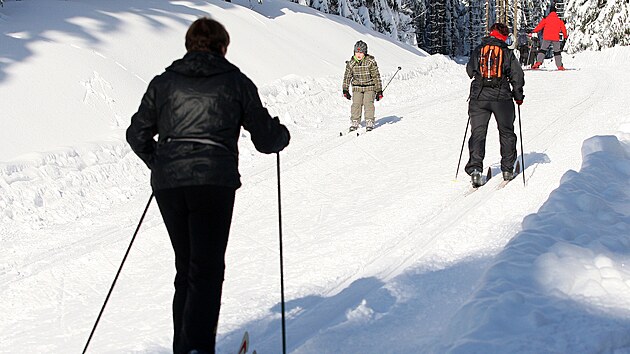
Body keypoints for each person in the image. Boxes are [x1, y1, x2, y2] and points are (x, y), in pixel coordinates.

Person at [126, 18, 290, 354]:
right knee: (206, 269)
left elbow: (136, 134)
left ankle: (184, 348)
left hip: (170, 184)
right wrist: (281, 135)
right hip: (213, 181)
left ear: (188, 46)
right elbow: (265, 138)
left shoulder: (164, 83)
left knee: (185, 268)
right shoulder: (236, 82)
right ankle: (197, 349)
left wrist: (161, 162)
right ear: (223, 47)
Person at [465, 22, 525, 187]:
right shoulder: (507, 52)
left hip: (478, 99)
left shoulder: (479, 50)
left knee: (478, 134)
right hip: (502, 98)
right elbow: (517, 75)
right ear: (504, 37)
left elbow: (470, 71)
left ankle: (476, 171)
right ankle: (507, 169)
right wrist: (518, 96)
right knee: (506, 132)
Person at [342, 40, 383, 132]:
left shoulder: (370, 62)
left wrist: (379, 90)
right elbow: (347, 76)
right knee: (356, 104)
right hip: (357, 87)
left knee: (368, 103)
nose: (359, 54)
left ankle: (369, 120)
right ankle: (355, 121)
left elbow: (376, 76)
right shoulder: (351, 63)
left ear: (365, 53)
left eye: (361, 52)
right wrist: (345, 90)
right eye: (357, 52)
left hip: (370, 86)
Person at [530, 5, 568, 70]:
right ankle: (559, 66)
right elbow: (564, 29)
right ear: (556, 12)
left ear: (549, 12)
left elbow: (540, 26)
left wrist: (534, 31)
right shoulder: (559, 20)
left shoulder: (546, 19)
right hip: (555, 38)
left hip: (547, 37)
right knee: (557, 52)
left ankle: (538, 63)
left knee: (543, 50)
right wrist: (565, 36)